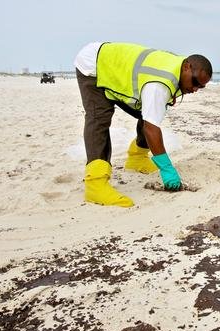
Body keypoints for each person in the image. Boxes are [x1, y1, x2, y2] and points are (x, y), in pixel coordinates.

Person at [74, 42, 212, 207]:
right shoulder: (159, 84)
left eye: (201, 87)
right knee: (99, 117)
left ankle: (137, 158)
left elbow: (152, 115)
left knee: (152, 110)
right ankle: (95, 184)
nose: (195, 89)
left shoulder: (177, 68)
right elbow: (151, 128)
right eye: (195, 82)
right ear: (187, 67)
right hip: (94, 65)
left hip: (115, 68)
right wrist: (166, 168)